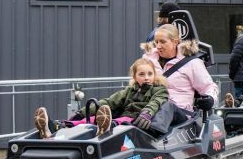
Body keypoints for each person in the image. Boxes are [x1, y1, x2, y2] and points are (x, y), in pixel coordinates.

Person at [34, 58, 169, 139]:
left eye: (150, 74)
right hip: (124, 117)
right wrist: (83, 112)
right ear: (134, 77)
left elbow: (156, 103)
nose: (146, 77)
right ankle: (56, 127)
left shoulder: (159, 89)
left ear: (154, 75)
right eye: (142, 74)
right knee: (90, 120)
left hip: (138, 120)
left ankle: (106, 126)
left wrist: (147, 113)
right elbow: (110, 101)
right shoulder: (129, 91)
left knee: (121, 120)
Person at [143, 23, 219, 131]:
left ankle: (152, 132)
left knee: (167, 106)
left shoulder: (192, 63)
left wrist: (210, 99)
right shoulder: (148, 61)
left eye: (163, 42)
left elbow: (209, 87)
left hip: (179, 112)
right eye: (156, 42)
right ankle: (113, 123)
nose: (158, 46)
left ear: (175, 42)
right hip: (151, 109)